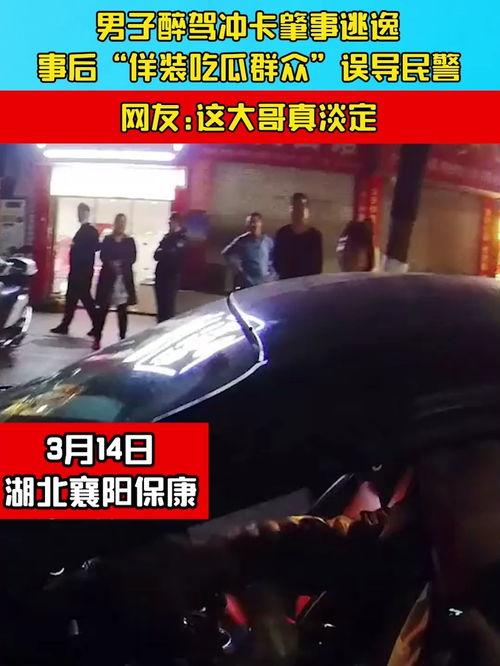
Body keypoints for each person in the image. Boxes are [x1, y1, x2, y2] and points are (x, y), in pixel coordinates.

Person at [50, 202, 99, 335]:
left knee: (83, 299)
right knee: (74, 298)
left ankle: (95, 324)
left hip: (81, 272)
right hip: (79, 271)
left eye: (80, 212)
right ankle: (66, 325)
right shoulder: (86, 231)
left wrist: (76, 248)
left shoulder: (88, 231)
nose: (78, 215)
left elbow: (92, 248)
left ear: (86, 213)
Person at [92, 214, 137, 351]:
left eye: (123, 222)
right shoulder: (108, 239)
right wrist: (112, 264)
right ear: (115, 223)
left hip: (122, 280)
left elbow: (132, 257)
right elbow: (103, 256)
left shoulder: (129, 241)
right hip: (108, 279)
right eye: (119, 222)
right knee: (103, 310)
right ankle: (97, 338)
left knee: (122, 311)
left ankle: (122, 338)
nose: (121, 225)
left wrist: (121, 264)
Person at [273, 192, 323, 279]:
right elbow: (277, 262)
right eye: (295, 207)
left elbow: (317, 266)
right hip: (286, 281)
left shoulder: (315, 236)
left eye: (302, 207)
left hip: (307, 283)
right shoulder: (282, 233)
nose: (299, 211)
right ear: (291, 210)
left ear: (307, 211)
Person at [221, 212, 276, 289]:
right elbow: (226, 253)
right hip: (248, 284)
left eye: (255, 222)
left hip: (265, 284)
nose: (253, 225)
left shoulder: (268, 241)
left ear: (260, 223)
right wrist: (238, 269)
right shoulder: (241, 241)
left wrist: (272, 275)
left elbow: (275, 258)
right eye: (250, 223)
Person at [153, 212, 187, 323]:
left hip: (171, 277)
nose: (169, 224)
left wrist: (165, 252)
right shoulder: (167, 237)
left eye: (171, 222)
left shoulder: (182, 238)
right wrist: (167, 252)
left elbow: (175, 256)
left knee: (168, 306)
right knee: (160, 306)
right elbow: (156, 255)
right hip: (160, 276)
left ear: (177, 223)